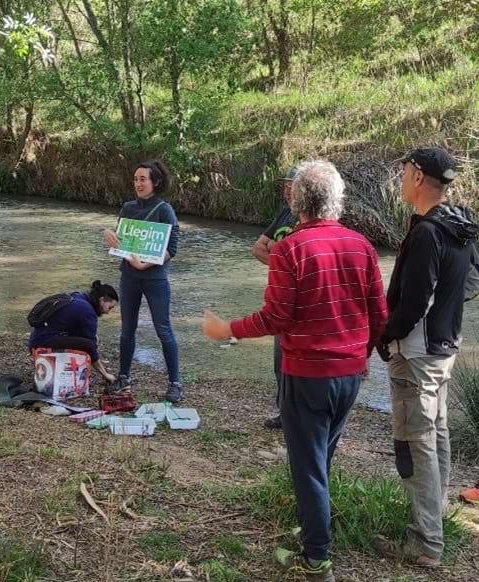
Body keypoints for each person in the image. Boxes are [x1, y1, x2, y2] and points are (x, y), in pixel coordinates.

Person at [202, 160, 388, 582]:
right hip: (349, 375)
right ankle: (313, 529)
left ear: (297, 203)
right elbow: (379, 315)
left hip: (306, 374)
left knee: (307, 466)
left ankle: (317, 558)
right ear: (337, 202)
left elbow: (276, 318)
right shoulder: (362, 246)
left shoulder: (289, 249)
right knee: (322, 458)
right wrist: (363, 359)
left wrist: (225, 329)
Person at [373, 147, 478, 567]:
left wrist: (383, 336)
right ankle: (433, 524)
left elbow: (414, 302)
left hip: (415, 353)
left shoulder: (427, 232)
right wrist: (446, 314)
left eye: (403, 171)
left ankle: (425, 542)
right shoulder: (463, 224)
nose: (400, 178)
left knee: (415, 444)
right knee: (436, 435)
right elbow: (471, 281)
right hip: (443, 347)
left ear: (417, 176)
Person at [103, 160, 182, 403]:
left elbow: (172, 249)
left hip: (155, 278)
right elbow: (121, 241)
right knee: (127, 330)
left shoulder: (164, 210)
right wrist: (108, 236)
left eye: (143, 179)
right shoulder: (127, 208)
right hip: (129, 276)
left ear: (155, 182)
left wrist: (145, 264)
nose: (138, 183)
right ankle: (124, 377)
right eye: (136, 179)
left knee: (163, 329)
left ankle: (175, 383)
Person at [252, 165, 299, 430]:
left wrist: (277, 252)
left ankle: (299, 416)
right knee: (279, 358)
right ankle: (284, 413)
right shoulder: (284, 213)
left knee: (298, 358)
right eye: (284, 184)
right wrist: (282, 264)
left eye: (291, 184)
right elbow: (257, 248)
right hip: (280, 298)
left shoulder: (309, 218)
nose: (286, 189)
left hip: (300, 300)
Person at [29, 281, 119, 383]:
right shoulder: (87, 311)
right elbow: (91, 347)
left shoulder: (79, 297)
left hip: (38, 338)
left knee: (91, 340)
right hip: (43, 342)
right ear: (102, 300)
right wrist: (105, 374)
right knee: (89, 344)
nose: (108, 312)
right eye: (110, 307)